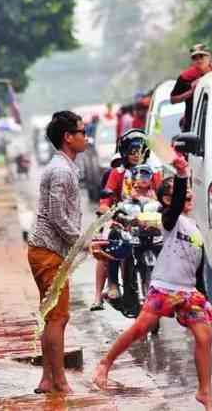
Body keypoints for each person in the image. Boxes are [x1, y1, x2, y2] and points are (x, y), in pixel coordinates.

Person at [92, 156, 212, 411]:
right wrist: (181, 175)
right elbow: (177, 201)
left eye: (191, 197)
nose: (189, 199)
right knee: (141, 328)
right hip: (164, 286)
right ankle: (105, 363)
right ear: (168, 201)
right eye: (185, 197)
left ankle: (205, 393)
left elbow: (198, 265)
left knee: (205, 336)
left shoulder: (193, 228)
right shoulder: (169, 221)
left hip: (188, 291)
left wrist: (203, 295)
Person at [28, 111, 105, 394]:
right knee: (58, 318)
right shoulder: (61, 170)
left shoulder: (65, 167)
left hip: (50, 252)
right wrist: (85, 243)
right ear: (67, 137)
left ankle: (48, 379)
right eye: (82, 132)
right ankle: (58, 381)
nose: (86, 137)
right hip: (48, 252)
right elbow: (59, 217)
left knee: (54, 316)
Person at [91, 129, 159, 310]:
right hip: (123, 220)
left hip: (149, 221)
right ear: (125, 152)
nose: (137, 156)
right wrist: (107, 210)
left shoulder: (154, 172)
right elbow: (105, 201)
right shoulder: (117, 173)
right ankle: (112, 284)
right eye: (132, 151)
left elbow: (163, 195)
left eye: (140, 151)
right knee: (111, 240)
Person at [171, 43, 212, 132]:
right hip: (192, 125)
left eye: (202, 56)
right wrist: (191, 92)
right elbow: (173, 100)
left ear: (209, 57)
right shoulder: (185, 77)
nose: (199, 60)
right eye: (195, 58)